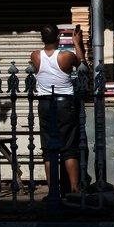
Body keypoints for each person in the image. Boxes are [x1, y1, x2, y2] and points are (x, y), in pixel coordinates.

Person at [31, 23, 85, 196]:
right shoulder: (66, 56)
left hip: (45, 104)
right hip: (64, 104)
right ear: (59, 38)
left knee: (48, 149)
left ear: (42, 38)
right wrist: (76, 42)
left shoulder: (35, 56)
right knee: (69, 147)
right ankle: (75, 188)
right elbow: (81, 63)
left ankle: (53, 190)